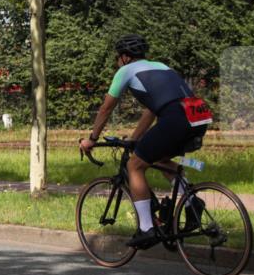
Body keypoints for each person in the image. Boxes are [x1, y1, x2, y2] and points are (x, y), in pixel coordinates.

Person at [80, 34, 211, 249]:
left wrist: (92, 139)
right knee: (161, 159)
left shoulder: (125, 71)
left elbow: (106, 108)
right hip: (198, 114)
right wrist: (134, 138)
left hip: (176, 117)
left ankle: (146, 228)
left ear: (124, 57)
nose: (117, 61)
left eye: (117, 57)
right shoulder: (161, 66)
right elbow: (151, 111)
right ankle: (192, 204)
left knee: (134, 166)